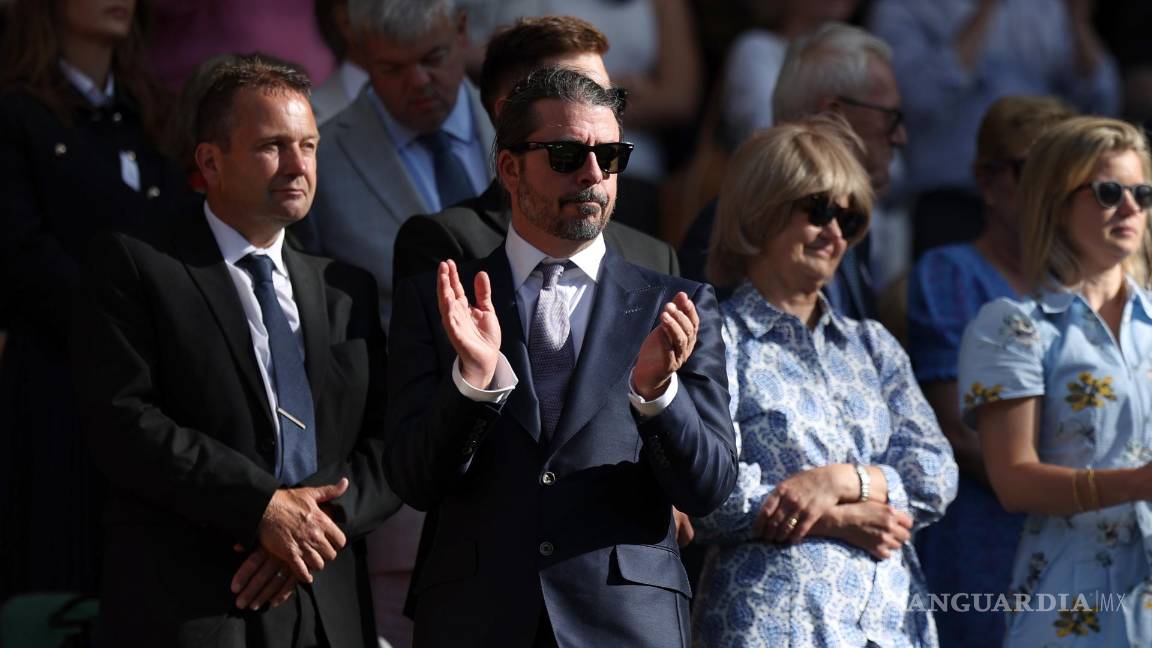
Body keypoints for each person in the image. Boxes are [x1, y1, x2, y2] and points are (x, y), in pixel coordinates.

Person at [386, 67, 736, 647]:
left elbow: (708, 487)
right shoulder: (440, 298)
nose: (593, 174)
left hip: (625, 623)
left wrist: (656, 396)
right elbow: (414, 480)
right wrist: (474, 384)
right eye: (567, 154)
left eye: (611, 155)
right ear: (509, 167)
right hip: (478, 618)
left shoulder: (675, 303)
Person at [71, 54, 401, 647]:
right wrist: (261, 509)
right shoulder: (137, 265)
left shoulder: (344, 289)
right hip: (194, 605)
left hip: (326, 607)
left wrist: (308, 527)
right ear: (210, 161)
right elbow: (122, 422)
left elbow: (385, 442)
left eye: (310, 144)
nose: (299, 165)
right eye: (273, 146)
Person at [692, 114, 958, 647]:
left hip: (887, 625)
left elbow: (936, 474)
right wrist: (840, 520)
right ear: (763, 211)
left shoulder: (874, 346)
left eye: (850, 216)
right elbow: (707, 493)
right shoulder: (716, 338)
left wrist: (841, 482)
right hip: (773, 624)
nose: (835, 232)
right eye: (818, 211)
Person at [0, 0, 186, 602]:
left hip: (160, 391)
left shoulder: (153, 113)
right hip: (59, 391)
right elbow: (20, 250)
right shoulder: (15, 113)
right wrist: (122, 326)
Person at [959, 116, 1152, 645]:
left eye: (1142, 193)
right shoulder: (1014, 325)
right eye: (1109, 192)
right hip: (1073, 606)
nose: (1131, 207)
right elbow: (1014, 481)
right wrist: (1138, 482)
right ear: (1056, 202)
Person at [908, 95, 1075, 647]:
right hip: (985, 555)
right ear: (988, 180)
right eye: (1034, 170)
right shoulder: (952, 274)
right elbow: (960, 427)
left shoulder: (1089, 292)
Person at [393, 15, 679, 283]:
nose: (597, 107)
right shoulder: (445, 246)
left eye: (604, 94)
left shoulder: (654, 259)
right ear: (509, 114)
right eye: (571, 88)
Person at [679, 22, 907, 318]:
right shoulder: (733, 226)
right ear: (832, 116)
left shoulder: (847, 227)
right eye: (889, 117)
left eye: (848, 222)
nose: (900, 137)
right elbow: (706, 354)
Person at [295, 0, 493, 329]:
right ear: (362, 54)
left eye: (433, 59)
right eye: (393, 68)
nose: (418, 80)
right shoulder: (321, 162)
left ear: (461, 30)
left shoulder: (519, 122)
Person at [868, 0, 1120, 257]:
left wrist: (1079, 23)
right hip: (950, 204)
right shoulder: (906, 6)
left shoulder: (1046, 7)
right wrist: (985, 11)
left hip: (1042, 197)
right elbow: (917, 98)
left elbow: (1101, 104)